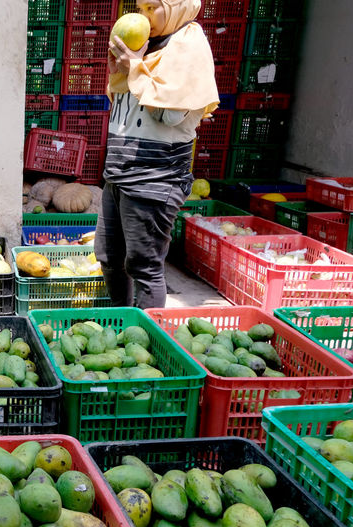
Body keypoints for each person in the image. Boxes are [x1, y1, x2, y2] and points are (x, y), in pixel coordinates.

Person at [95, 0, 219, 309]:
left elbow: (169, 114)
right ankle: (119, 324)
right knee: (109, 258)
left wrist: (135, 68)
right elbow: (124, 98)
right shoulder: (146, 44)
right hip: (120, 174)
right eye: (141, 7)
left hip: (155, 179)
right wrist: (124, 67)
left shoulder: (187, 47)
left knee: (143, 266)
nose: (144, 16)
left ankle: (146, 340)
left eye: (154, 7)